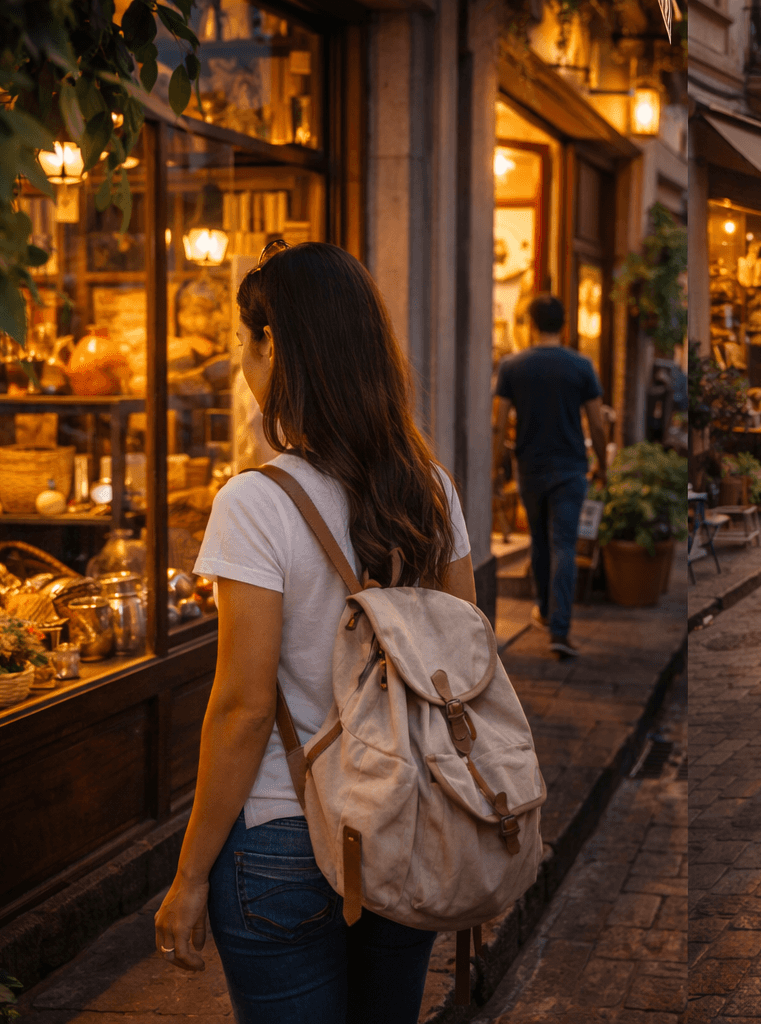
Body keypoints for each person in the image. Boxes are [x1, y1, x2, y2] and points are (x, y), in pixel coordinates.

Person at [154, 242, 476, 1019]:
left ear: (274, 348)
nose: (241, 360)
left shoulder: (255, 503)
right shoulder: (429, 489)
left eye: (244, 341)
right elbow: (469, 656)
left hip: (282, 832)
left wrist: (190, 874)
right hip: (404, 818)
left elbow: (242, 710)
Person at [494, 295, 610, 658]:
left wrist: (496, 468)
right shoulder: (581, 366)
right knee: (564, 545)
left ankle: (545, 611)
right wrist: (604, 465)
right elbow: (597, 423)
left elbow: (499, 423)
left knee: (540, 542)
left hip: (530, 467)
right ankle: (559, 628)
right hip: (571, 468)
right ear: (564, 325)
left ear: (531, 324)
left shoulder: (512, 366)